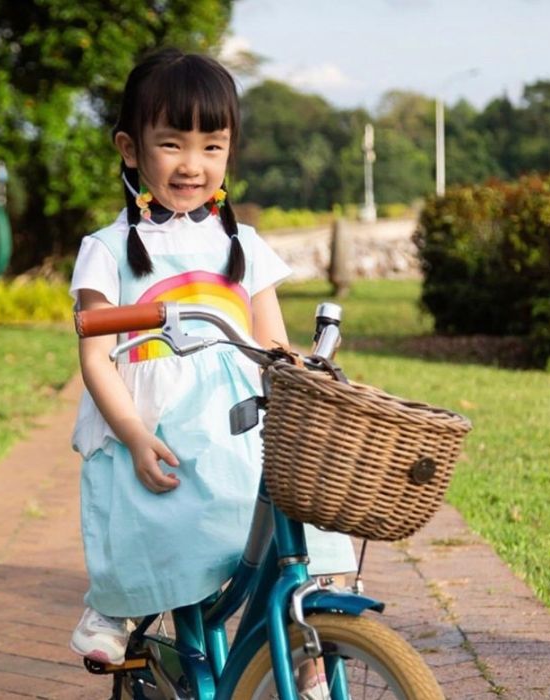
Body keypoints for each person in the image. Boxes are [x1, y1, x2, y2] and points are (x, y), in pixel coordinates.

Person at [68, 48, 356, 698]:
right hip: (161, 417)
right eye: (171, 143)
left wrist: (303, 381)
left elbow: (274, 343)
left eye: (212, 145)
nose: (193, 165)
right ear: (131, 149)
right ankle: (117, 601)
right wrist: (135, 435)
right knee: (164, 520)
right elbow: (95, 357)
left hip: (241, 417)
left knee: (305, 528)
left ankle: (312, 655)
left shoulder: (243, 246)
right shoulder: (108, 251)